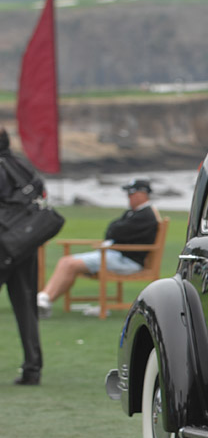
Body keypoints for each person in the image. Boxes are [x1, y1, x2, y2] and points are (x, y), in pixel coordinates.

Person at [37, 178, 158, 317]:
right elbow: (114, 230)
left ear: (142, 194)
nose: (128, 197)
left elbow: (115, 231)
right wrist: (114, 234)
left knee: (69, 264)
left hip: (126, 260)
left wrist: (113, 234)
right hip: (115, 255)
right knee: (66, 262)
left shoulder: (146, 215)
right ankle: (45, 299)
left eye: (131, 193)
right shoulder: (135, 213)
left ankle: (45, 299)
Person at [0, 126, 45, 385]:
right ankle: (32, 369)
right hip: (25, 244)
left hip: (3, 244)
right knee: (26, 307)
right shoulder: (22, 167)